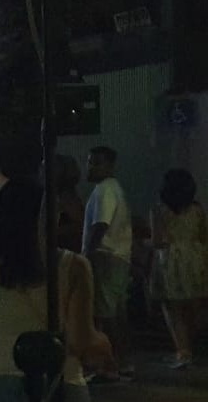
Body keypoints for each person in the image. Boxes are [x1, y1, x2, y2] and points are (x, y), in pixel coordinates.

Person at [0, 179, 110, 401]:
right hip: (60, 379)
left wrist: (5, 341)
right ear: (48, 217)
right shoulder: (74, 266)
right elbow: (80, 340)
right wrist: (103, 341)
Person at [82, 145, 133, 383]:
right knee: (115, 312)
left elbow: (100, 224)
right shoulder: (113, 188)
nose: (90, 167)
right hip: (117, 256)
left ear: (110, 166)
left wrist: (87, 252)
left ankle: (111, 364)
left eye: (96, 163)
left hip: (105, 256)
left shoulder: (105, 190)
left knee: (106, 312)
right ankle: (118, 362)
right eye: (89, 162)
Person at [149, 168, 208, 369]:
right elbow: (203, 236)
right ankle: (190, 348)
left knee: (173, 309)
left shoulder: (159, 210)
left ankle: (182, 351)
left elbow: (157, 240)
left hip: (170, 259)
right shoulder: (197, 210)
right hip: (195, 258)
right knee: (193, 306)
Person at [55, 154, 87, 253]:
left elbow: (80, 225)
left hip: (69, 252)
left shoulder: (68, 198)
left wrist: (54, 232)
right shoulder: (63, 196)